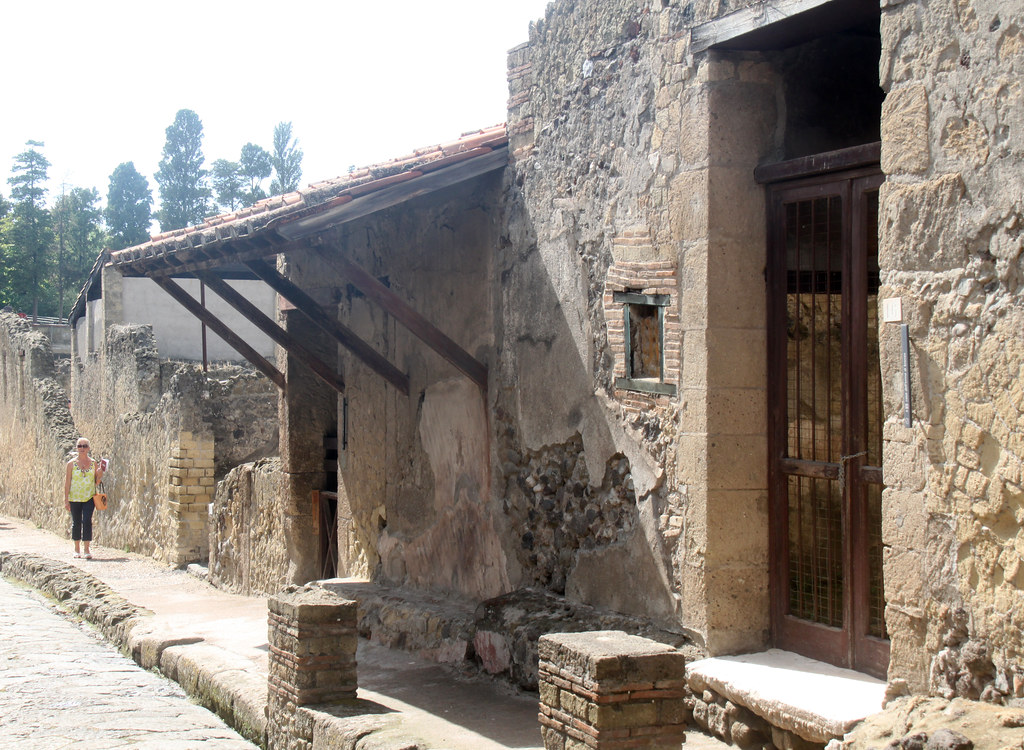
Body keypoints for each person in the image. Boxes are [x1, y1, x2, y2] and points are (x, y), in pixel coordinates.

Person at [64, 437, 105, 559]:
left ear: (88, 448)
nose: (82, 448)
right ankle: (77, 549)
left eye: (84, 446)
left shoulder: (93, 463)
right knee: (76, 522)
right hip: (74, 497)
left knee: (87, 521)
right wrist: (66, 499)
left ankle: (87, 549)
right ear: (76, 448)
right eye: (79, 446)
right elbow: (67, 483)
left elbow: (96, 482)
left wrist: (100, 474)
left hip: (89, 497)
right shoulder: (71, 464)